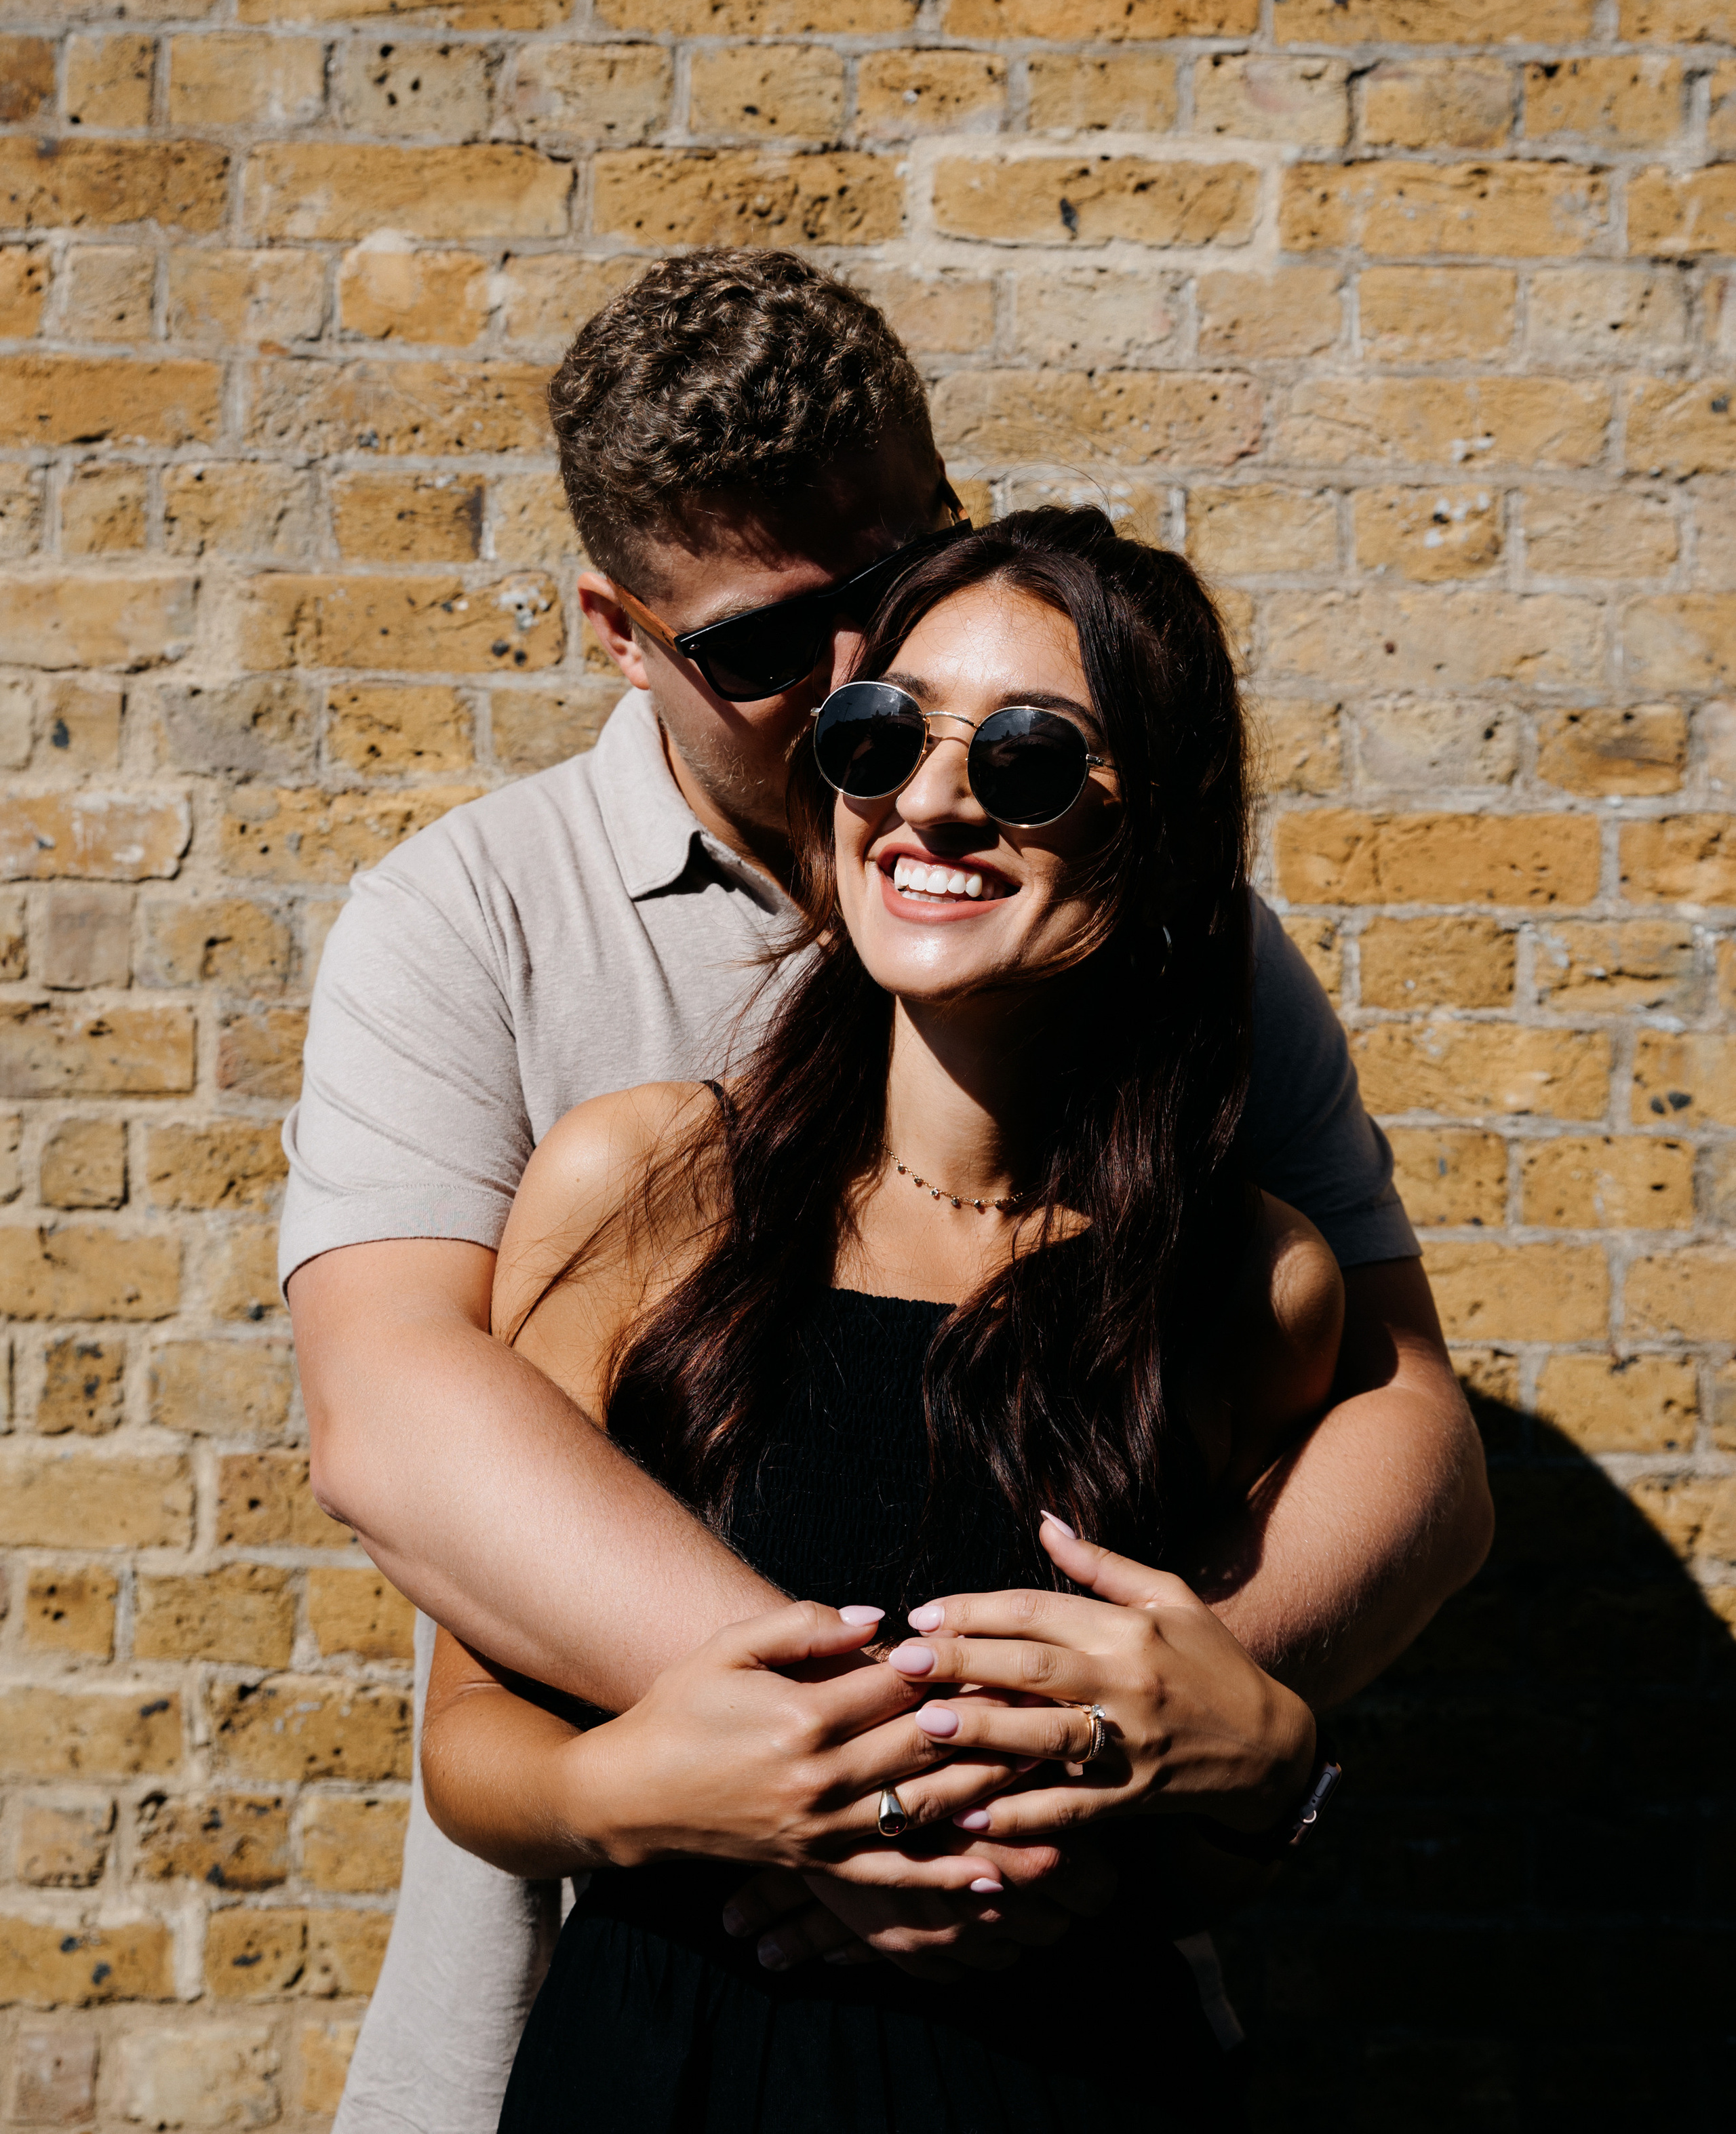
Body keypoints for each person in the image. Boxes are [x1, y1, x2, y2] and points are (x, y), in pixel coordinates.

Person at [282, 253, 1492, 2134]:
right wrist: (878, 1775)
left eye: (891, 589)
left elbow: (1403, 1416)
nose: (870, 694)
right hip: (619, 1996)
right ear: (621, 629)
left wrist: (1178, 1736)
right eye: (778, 655)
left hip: (1043, 2024)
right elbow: (394, 1420)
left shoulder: (1189, 965)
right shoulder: (478, 932)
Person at [421, 508, 1349, 2132]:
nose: (927, 799)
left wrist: (1259, 1767)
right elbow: (471, 1742)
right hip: (670, 2076)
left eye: (1027, 759)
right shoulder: (639, 1185)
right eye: (880, 736)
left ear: (1158, 835)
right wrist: (633, 1793)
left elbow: (1209, 1839)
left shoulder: (1248, 1284)